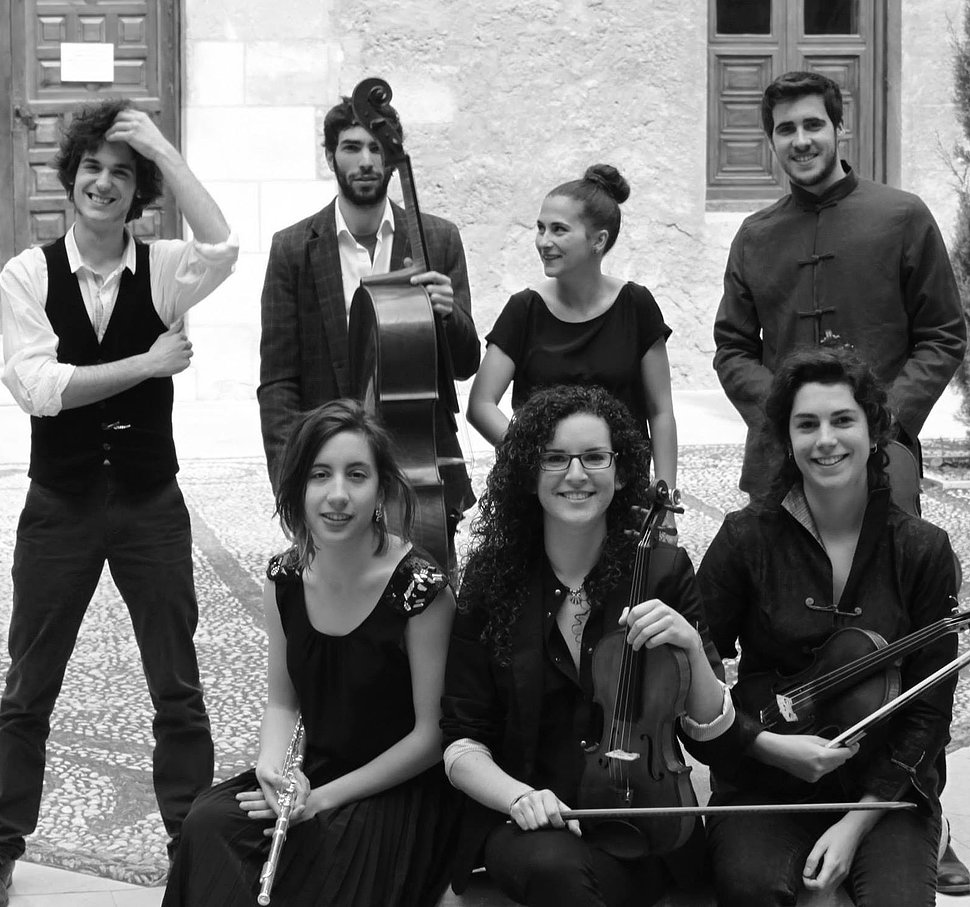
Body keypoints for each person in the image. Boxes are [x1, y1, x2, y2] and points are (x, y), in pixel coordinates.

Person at [0, 98, 237, 902]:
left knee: (177, 685)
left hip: (149, 502)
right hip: (59, 506)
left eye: (122, 173)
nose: (103, 183)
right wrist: (147, 362)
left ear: (140, 193)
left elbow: (224, 245)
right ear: (71, 178)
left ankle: (191, 846)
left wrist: (163, 149)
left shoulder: (163, 267)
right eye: (92, 168)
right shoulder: (27, 274)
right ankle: (0, 843)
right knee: (28, 687)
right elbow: (40, 389)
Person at [441, 385, 750, 907]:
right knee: (555, 869)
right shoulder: (491, 582)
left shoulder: (663, 571)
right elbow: (461, 740)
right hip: (532, 828)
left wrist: (693, 651)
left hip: (647, 821)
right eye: (554, 458)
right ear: (529, 473)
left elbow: (713, 740)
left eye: (594, 457)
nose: (576, 474)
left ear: (622, 471)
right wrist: (519, 797)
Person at [164, 400, 460, 907]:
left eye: (357, 475)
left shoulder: (420, 589)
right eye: (320, 475)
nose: (337, 495)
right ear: (298, 487)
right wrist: (272, 772)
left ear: (381, 489)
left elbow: (430, 737)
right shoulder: (284, 579)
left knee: (324, 854)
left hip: (397, 789)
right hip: (314, 772)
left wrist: (321, 799)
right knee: (208, 822)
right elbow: (283, 703)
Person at [697, 347, 958, 907]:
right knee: (750, 889)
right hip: (765, 782)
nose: (826, 440)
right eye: (806, 424)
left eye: (843, 420)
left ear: (874, 430)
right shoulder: (745, 538)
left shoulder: (923, 550)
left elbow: (930, 712)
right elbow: (695, 668)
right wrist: (761, 744)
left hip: (885, 791)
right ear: (786, 439)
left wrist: (856, 823)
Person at [713, 70, 966, 503]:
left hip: (884, 460)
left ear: (839, 129)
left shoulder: (903, 217)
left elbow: (943, 334)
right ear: (771, 141)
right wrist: (785, 412)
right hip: (779, 463)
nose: (801, 141)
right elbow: (733, 348)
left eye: (813, 124)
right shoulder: (755, 236)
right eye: (786, 129)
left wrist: (885, 417)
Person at [257, 95, 480, 565]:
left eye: (377, 148)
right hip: (332, 473)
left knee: (427, 599)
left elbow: (465, 365)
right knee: (334, 600)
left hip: (419, 470)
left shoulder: (437, 239)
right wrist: (291, 481)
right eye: (352, 147)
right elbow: (278, 382)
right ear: (330, 157)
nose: (365, 161)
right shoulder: (292, 249)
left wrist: (448, 316)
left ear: (393, 159)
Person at [467, 165, 679, 490]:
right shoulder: (523, 309)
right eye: (540, 228)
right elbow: (481, 404)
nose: (544, 242)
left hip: (621, 487)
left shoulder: (636, 305)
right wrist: (539, 461)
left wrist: (664, 491)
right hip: (543, 493)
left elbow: (660, 410)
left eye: (559, 230)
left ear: (598, 240)